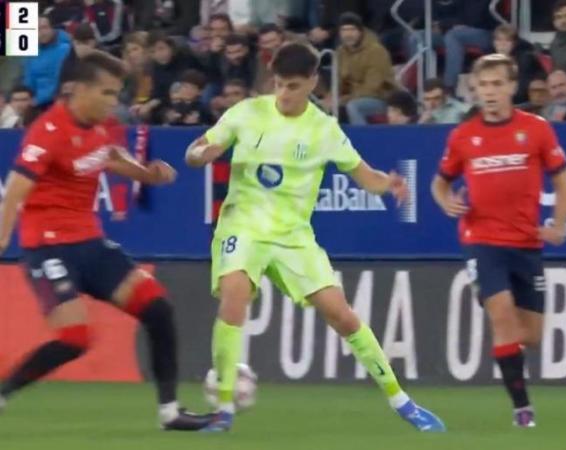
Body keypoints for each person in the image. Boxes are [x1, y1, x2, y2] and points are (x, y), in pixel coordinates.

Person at [184, 42, 446, 433]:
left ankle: (401, 401)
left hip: (293, 236)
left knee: (340, 313)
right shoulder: (247, 113)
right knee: (234, 294)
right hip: (244, 225)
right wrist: (198, 154)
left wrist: (387, 184)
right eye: (278, 85)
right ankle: (223, 412)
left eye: (292, 86)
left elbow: (364, 175)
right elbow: (202, 148)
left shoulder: (324, 130)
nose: (283, 95)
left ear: (312, 82)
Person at [0, 52, 212, 431]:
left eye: (117, 94)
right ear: (79, 90)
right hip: (47, 247)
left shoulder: (104, 127)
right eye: (107, 93)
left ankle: (170, 412)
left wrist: (146, 175)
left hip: (90, 245)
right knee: (75, 337)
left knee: (158, 309)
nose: (114, 102)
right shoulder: (48, 131)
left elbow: (109, 155)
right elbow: (15, 190)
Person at [431, 53, 566, 428]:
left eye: (497, 84)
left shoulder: (537, 129)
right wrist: (447, 202)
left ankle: (507, 354)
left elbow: (562, 181)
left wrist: (558, 223)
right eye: (483, 86)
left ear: (512, 87)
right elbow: (439, 181)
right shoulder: (462, 136)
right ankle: (522, 410)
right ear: (474, 91)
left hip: (526, 243)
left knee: (533, 335)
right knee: (502, 314)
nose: (489, 92)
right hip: (482, 241)